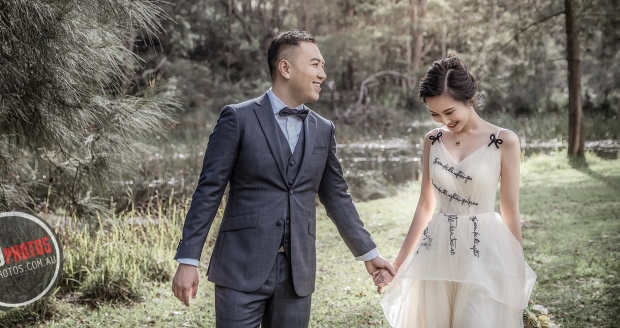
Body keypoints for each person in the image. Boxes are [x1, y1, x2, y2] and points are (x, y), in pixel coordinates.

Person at [171, 30, 395, 328]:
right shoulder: (237, 118)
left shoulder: (323, 129)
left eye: (323, 66)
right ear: (285, 68)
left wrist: (369, 253)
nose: (322, 74)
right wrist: (188, 259)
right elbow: (208, 191)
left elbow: (337, 197)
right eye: (315, 65)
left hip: (297, 273)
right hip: (239, 266)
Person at [374, 54, 536, 327]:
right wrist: (398, 265)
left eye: (449, 112)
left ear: (469, 99)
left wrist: (517, 271)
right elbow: (425, 205)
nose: (443, 120)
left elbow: (510, 210)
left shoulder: (503, 141)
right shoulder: (433, 140)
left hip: (484, 250)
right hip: (438, 250)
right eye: (435, 114)